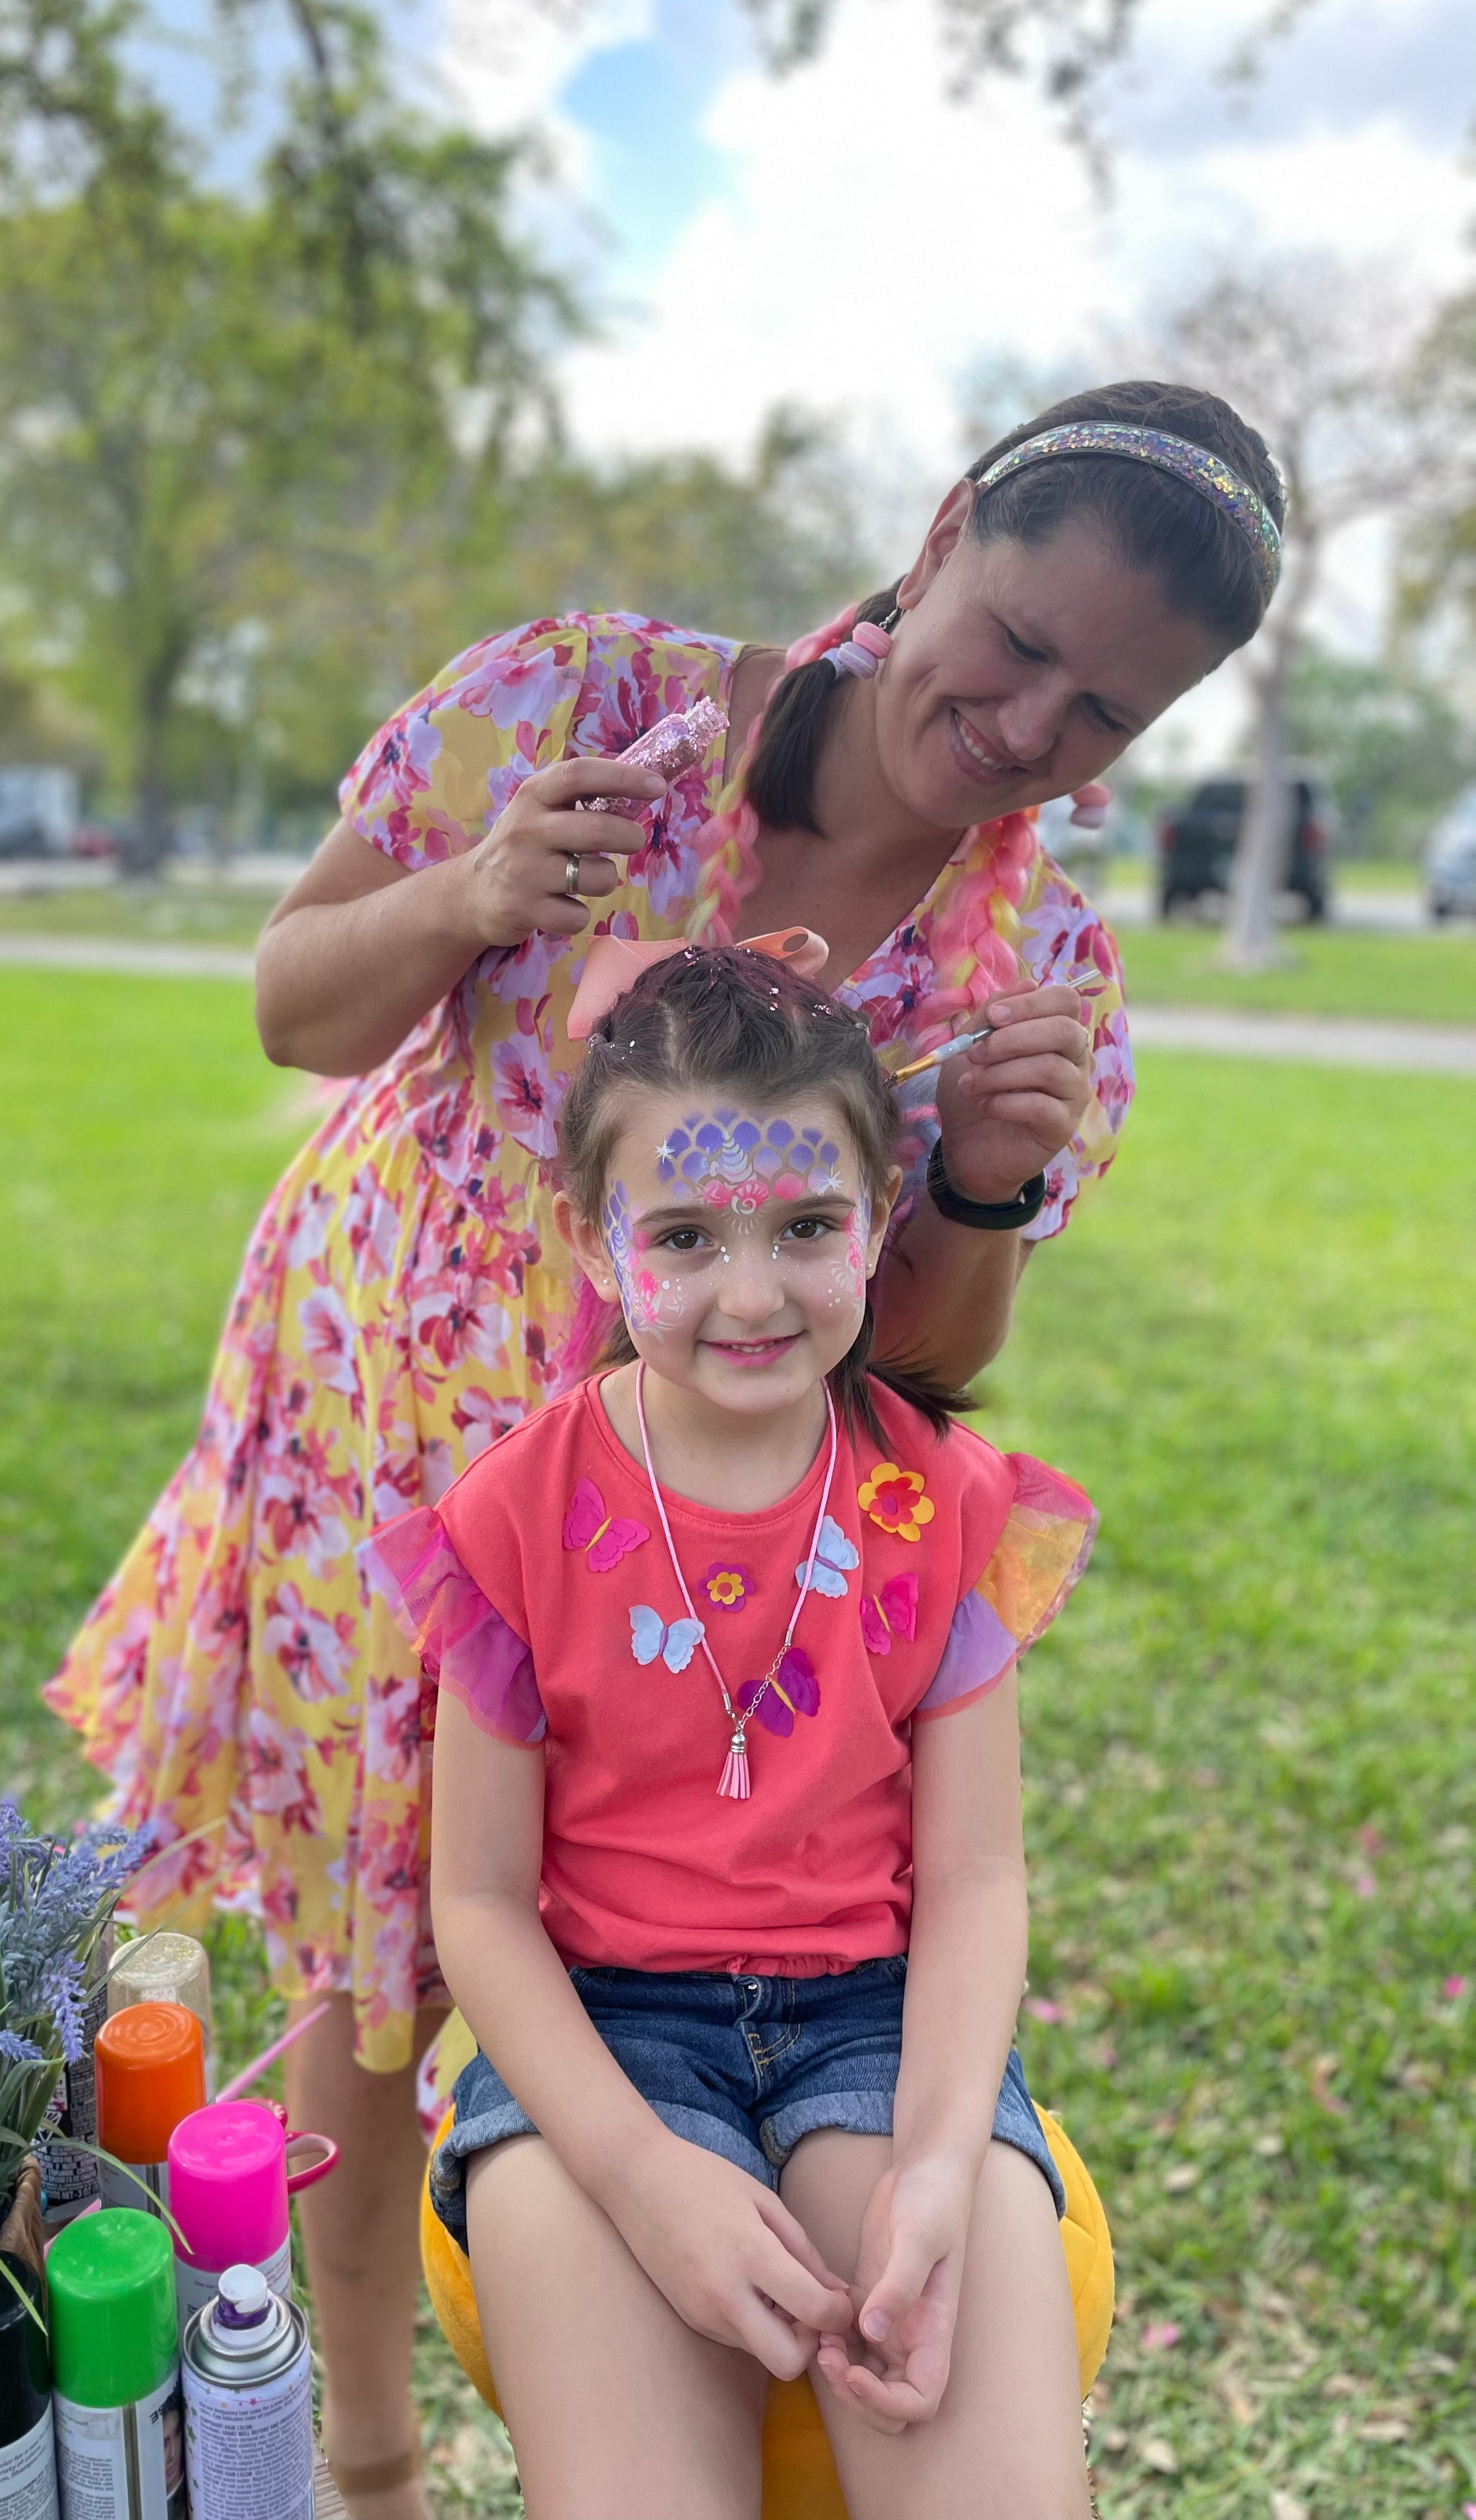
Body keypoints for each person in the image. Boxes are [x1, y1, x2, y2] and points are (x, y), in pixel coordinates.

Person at [46, 381, 1283, 2513]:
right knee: (371, 1967)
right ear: (940, 527)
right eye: (1017, 639)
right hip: (390, 1432)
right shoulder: (572, 700)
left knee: (598, 1918)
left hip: (699, 1537)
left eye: (1103, 715)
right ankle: (363, 2455)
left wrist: (977, 1186)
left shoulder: (1043, 969)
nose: (1024, 730)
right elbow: (292, 1002)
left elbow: (926, 1373)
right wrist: (468, 898)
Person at [369, 944, 1100, 2519]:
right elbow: (481, 1906)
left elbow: (974, 1880)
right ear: (590, 1234)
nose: (751, 1293)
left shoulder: (944, 1509)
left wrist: (928, 2164)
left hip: (874, 2021)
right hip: (602, 2039)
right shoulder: (512, 1521)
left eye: (806, 1229)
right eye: (685, 1236)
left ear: (879, 1212)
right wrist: (638, 2176)